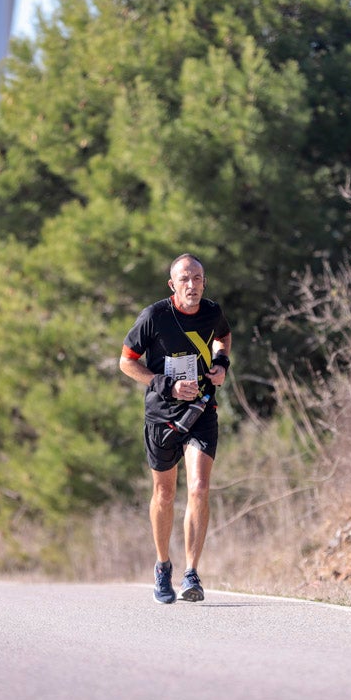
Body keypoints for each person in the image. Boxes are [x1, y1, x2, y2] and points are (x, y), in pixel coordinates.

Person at [119, 253, 232, 604]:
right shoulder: (153, 317)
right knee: (164, 495)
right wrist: (165, 385)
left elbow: (223, 337)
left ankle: (191, 573)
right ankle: (163, 565)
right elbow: (126, 362)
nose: (192, 285)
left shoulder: (212, 312)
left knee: (198, 488)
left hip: (201, 410)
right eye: (185, 279)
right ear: (173, 284)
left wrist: (221, 364)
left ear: (204, 282)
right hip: (162, 415)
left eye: (197, 278)